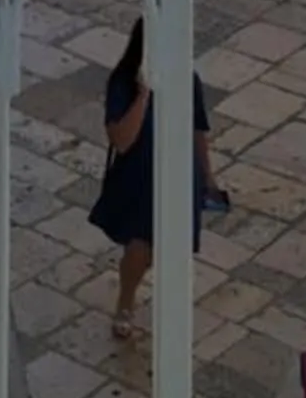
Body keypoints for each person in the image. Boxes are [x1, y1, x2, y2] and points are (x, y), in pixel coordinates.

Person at [87, 18, 225, 342]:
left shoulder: (187, 78)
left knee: (173, 250)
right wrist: (144, 94)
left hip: (181, 175)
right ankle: (126, 301)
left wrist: (208, 177)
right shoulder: (123, 82)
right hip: (141, 177)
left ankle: (169, 312)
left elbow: (197, 130)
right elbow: (122, 139)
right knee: (139, 249)